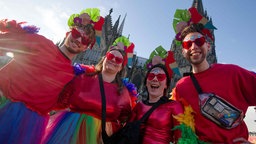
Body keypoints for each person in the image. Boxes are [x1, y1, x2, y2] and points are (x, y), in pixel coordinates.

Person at [0, 8, 104, 144]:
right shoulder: (41, 43)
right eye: (76, 33)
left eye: (84, 39)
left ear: (86, 47)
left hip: (31, 128)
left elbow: (62, 103)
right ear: (68, 32)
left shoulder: (73, 75)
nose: (78, 39)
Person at [172, 21, 256, 143]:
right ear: (183, 52)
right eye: (187, 44)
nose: (194, 46)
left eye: (199, 41)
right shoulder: (181, 87)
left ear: (208, 46)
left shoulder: (232, 73)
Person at [43, 36, 137, 144]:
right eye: (110, 56)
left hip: (100, 138)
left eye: (118, 59)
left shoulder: (124, 93)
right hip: (68, 131)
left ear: (121, 67)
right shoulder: (83, 77)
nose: (113, 60)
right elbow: (61, 100)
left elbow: (125, 120)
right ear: (104, 58)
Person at [128, 63, 183, 144]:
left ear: (166, 85)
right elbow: (126, 132)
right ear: (146, 82)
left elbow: (182, 139)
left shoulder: (174, 106)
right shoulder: (139, 106)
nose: (155, 79)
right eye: (151, 76)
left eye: (160, 77)